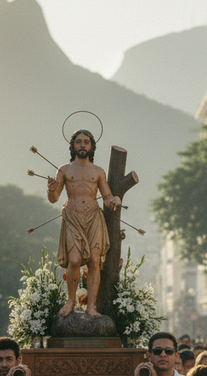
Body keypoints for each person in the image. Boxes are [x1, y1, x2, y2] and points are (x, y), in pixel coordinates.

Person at [47, 129, 121, 318]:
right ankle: (71, 300)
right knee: (74, 260)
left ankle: (91, 306)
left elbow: (106, 196)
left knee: (95, 262)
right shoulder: (64, 170)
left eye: (86, 142)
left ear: (91, 146)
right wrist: (51, 190)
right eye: (78, 142)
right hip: (72, 216)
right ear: (72, 146)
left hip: (94, 218)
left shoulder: (98, 171)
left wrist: (114, 200)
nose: (82, 145)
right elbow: (54, 198)